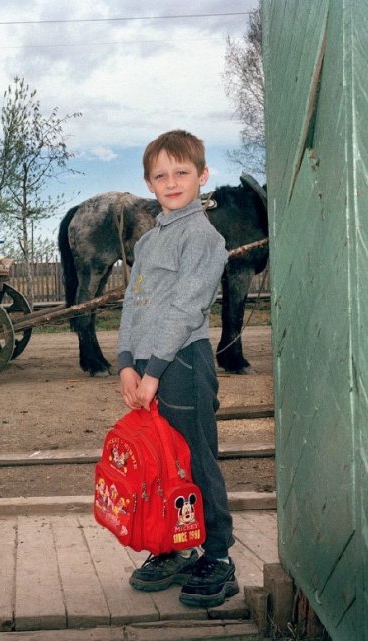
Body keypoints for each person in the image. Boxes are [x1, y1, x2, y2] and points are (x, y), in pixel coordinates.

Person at [117, 129, 237, 608]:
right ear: (148, 183)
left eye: (181, 172)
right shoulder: (148, 244)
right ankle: (177, 546)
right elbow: (133, 304)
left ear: (202, 176)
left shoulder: (204, 239)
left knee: (196, 460)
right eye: (160, 175)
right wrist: (127, 363)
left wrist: (155, 372)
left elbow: (186, 310)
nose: (171, 182)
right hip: (146, 366)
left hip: (183, 363)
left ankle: (219, 556)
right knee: (162, 465)